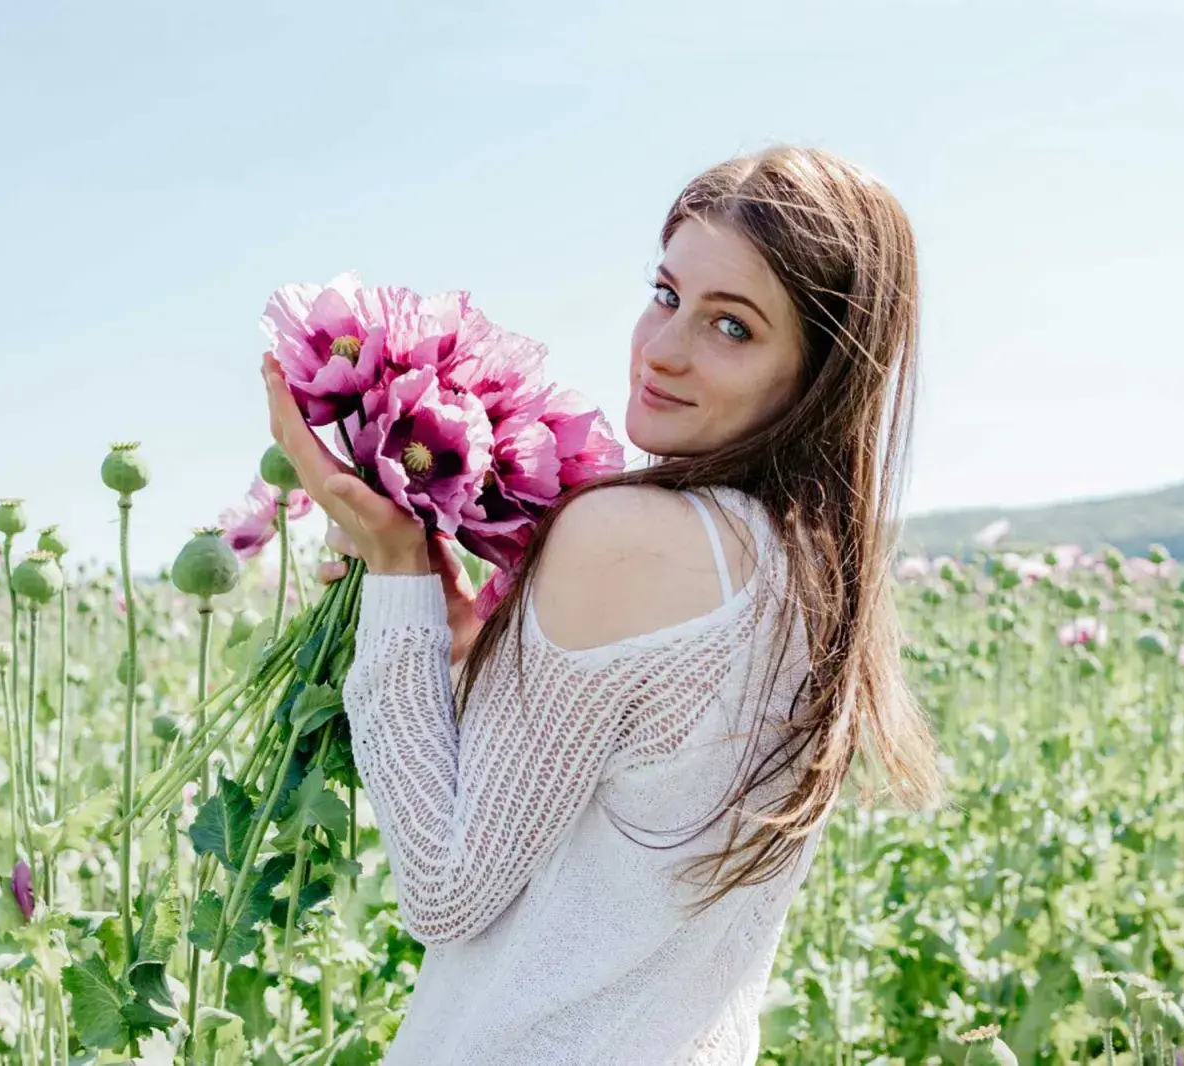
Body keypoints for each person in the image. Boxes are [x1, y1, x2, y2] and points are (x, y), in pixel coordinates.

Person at [261, 143, 946, 1066]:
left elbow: (444, 889)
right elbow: (620, 857)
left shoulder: (628, 534)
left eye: (732, 327)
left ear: (819, 373)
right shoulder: (818, 577)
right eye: (666, 296)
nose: (662, 350)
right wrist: (467, 654)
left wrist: (393, 568)